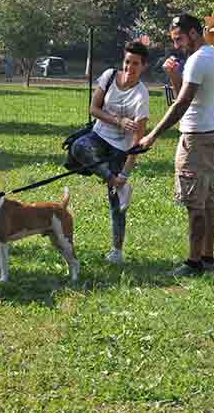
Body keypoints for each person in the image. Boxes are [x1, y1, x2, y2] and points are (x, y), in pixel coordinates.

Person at [138, 13, 214, 277]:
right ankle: (207, 258)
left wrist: (153, 135)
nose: (176, 45)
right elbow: (185, 97)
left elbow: (182, 104)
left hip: (196, 138)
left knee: (195, 204)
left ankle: (194, 262)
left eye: (179, 39)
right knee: (206, 199)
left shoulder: (198, 60)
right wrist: (175, 75)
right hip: (210, 134)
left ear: (194, 33)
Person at [69, 42, 150, 265]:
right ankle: (115, 183)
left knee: (116, 203)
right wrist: (118, 121)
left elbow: (138, 141)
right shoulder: (109, 76)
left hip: (121, 148)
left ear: (144, 66)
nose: (129, 67)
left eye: (135, 64)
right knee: (78, 147)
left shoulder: (141, 95)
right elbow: (93, 109)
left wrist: (125, 173)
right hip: (99, 135)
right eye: (127, 62)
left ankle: (117, 251)